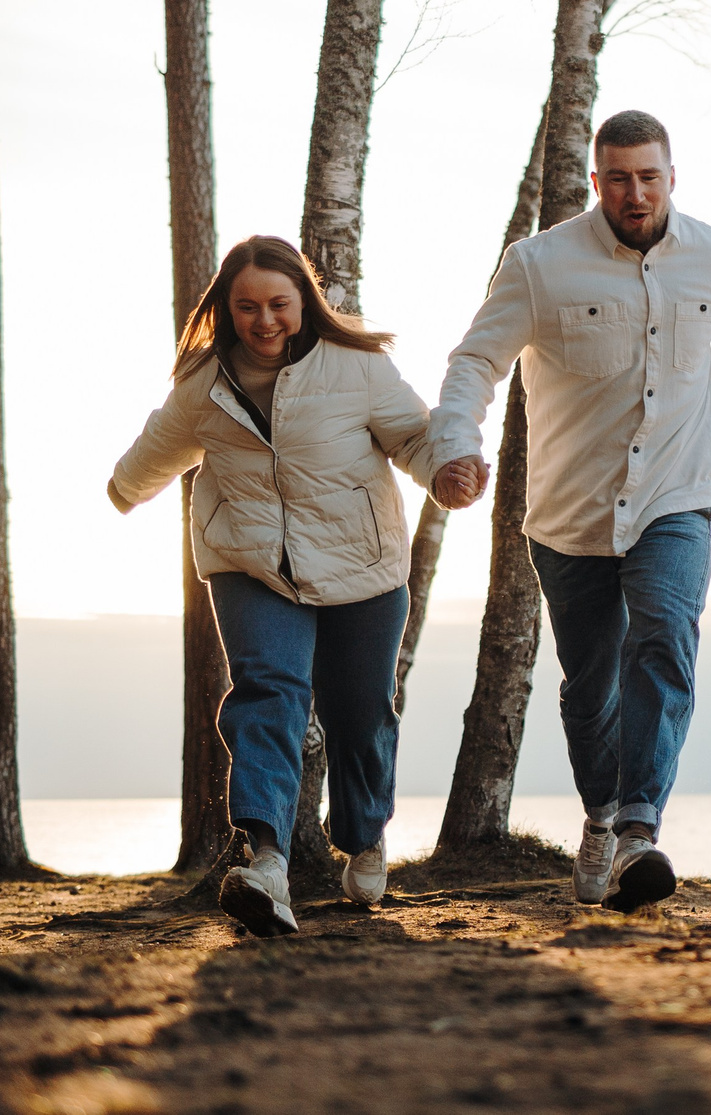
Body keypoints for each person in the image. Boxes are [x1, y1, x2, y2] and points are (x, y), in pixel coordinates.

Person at [429, 110, 711, 911]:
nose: (637, 192)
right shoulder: (538, 265)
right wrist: (456, 442)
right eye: (620, 178)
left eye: (650, 176)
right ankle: (600, 814)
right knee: (589, 686)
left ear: (673, 176)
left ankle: (638, 829)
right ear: (597, 182)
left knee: (665, 636)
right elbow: (474, 361)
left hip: (677, 493)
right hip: (572, 513)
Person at [108, 234, 468, 937]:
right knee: (268, 690)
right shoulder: (204, 385)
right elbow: (153, 453)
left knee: (360, 710)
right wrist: (122, 488)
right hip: (250, 565)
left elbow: (414, 439)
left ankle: (363, 836)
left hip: (360, 565)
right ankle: (266, 859)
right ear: (225, 309)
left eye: (278, 303)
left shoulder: (359, 365)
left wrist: (447, 472)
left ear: (305, 300)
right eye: (246, 307)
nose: (264, 320)